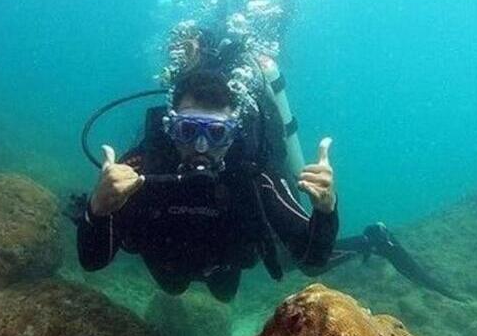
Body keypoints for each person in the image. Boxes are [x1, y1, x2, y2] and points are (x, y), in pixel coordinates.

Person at [77, 69, 338, 302]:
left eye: (216, 133)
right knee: (173, 288)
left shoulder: (254, 176)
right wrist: (97, 209)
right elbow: (92, 261)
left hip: (224, 267)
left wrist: (326, 209)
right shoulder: (141, 168)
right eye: (188, 130)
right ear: (170, 128)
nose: (201, 147)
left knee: (224, 294)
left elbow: (313, 258)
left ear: (233, 135)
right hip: (165, 264)